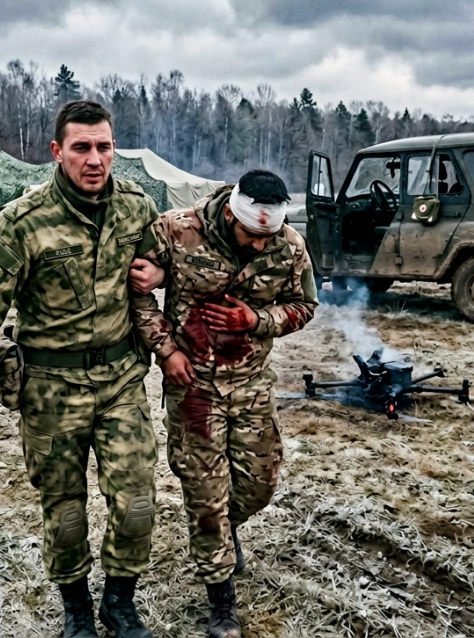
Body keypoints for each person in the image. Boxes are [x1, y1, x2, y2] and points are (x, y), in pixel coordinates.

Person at [0, 101, 159, 638]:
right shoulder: (21, 222)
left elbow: (165, 259)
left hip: (120, 381)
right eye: (81, 147)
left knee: (137, 503)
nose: (95, 159)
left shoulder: (136, 206)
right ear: (57, 151)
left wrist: (159, 272)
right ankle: (77, 611)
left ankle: (118, 602)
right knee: (64, 514)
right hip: (50, 390)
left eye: (104, 147)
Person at [128, 170, 318, 638]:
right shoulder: (176, 230)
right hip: (194, 388)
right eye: (252, 234)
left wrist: (256, 319)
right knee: (206, 496)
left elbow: (304, 306)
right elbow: (137, 293)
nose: (259, 245)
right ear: (231, 213)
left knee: (259, 486)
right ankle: (221, 601)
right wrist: (165, 350)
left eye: (267, 236)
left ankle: (224, 532)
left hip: (251, 384)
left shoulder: (290, 246)